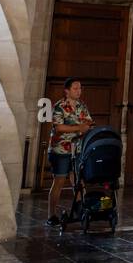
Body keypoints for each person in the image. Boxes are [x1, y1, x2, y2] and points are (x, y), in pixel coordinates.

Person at [46, 76, 93, 227]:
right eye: (75, 88)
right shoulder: (59, 106)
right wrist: (78, 128)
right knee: (59, 181)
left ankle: (81, 210)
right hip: (60, 149)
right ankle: (51, 215)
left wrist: (84, 126)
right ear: (67, 91)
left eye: (80, 88)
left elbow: (88, 121)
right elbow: (59, 127)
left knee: (78, 181)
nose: (79, 91)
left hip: (77, 149)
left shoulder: (82, 106)